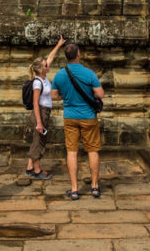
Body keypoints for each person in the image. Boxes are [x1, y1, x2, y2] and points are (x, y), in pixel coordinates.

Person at [51, 42, 104, 200]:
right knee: (92, 150)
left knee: (72, 152)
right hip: (88, 117)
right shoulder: (89, 73)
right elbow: (100, 94)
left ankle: (74, 189)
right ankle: (94, 186)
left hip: (70, 116)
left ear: (66, 56)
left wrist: (66, 96)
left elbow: (53, 96)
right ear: (78, 54)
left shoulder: (60, 75)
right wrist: (89, 94)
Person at [25, 35, 66, 179]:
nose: (48, 65)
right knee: (39, 142)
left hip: (45, 112)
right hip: (40, 113)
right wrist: (40, 122)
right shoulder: (37, 83)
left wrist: (58, 45)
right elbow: (35, 103)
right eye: (45, 65)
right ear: (40, 69)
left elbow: (50, 58)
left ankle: (30, 166)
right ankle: (37, 171)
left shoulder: (43, 77)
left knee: (38, 140)